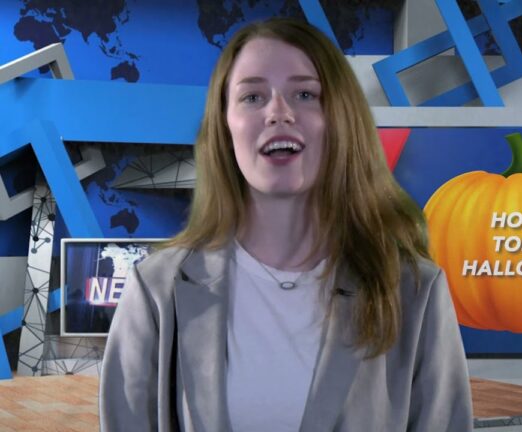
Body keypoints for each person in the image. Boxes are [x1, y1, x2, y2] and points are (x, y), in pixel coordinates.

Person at [99, 17, 472, 432]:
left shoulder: (415, 292)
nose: (279, 112)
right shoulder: (156, 289)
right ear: (224, 126)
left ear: (341, 119)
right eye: (252, 97)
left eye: (305, 94)